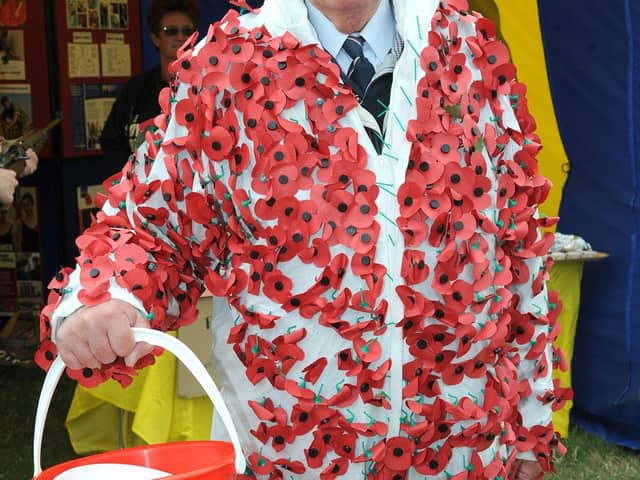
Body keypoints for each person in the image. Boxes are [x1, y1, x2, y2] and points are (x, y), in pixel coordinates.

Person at [39, 1, 567, 479]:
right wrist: (109, 296)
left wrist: (532, 417)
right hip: (288, 457)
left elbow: (517, 250)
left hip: (458, 451)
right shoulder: (224, 66)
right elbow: (149, 227)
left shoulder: (468, 53)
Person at [98, 0, 199, 173]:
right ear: (155, 38)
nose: (181, 37)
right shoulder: (136, 89)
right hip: (142, 192)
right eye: (171, 31)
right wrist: (134, 177)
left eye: (187, 31)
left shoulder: (207, 86)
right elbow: (111, 142)